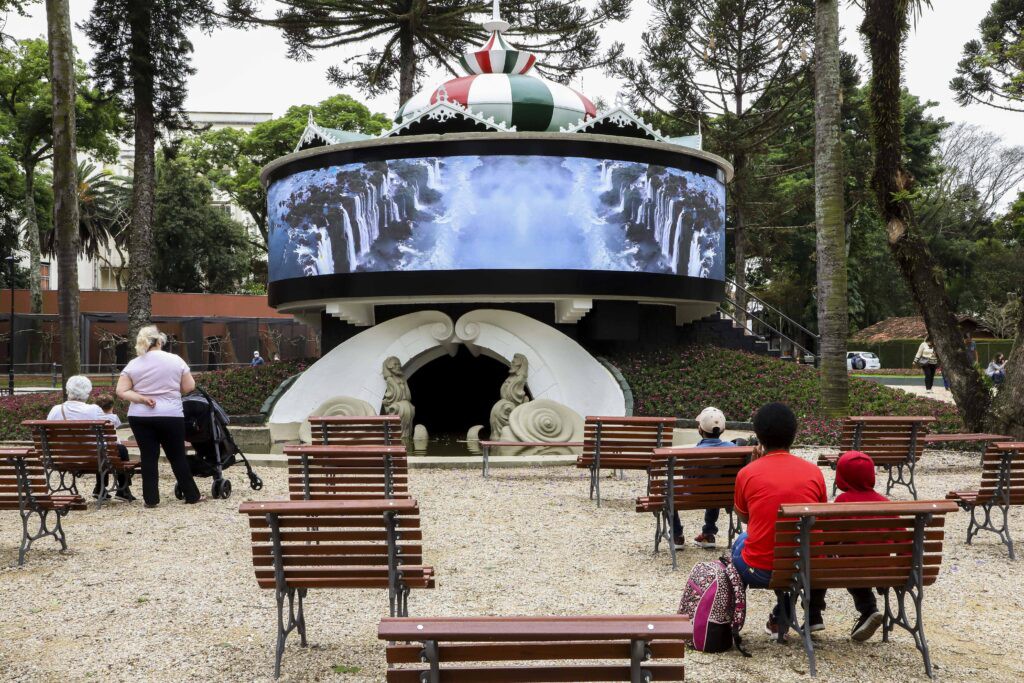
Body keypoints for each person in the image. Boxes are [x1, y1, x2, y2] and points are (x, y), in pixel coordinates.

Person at [731, 402, 828, 638]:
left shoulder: (747, 473)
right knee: (794, 547)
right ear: (793, 435)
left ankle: (731, 619)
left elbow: (745, 518)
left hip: (761, 570)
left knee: (739, 545)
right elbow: (820, 519)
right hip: (806, 566)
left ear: (760, 437)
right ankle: (782, 615)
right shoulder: (813, 472)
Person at [116, 325, 204, 507]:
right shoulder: (175, 360)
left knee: (148, 456)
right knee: (177, 455)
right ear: (159, 341)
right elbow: (189, 387)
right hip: (171, 414)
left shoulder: (133, 364)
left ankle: (151, 499)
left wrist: (140, 398)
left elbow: (121, 391)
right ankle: (191, 495)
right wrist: (171, 390)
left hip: (140, 416)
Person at [47, 376, 135, 501]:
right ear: (87, 392)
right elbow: (112, 428)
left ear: (67, 391)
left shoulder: (55, 410)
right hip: (93, 458)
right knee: (117, 449)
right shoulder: (93, 409)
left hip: (63, 458)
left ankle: (101, 488)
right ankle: (122, 489)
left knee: (101, 449)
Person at [671, 407, 746, 549]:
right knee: (715, 488)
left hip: (693, 496)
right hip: (723, 496)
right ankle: (709, 533)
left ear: (700, 430)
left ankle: (677, 536)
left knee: (668, 491)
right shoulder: (734, 449)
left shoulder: (692, 453)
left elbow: (687, 479)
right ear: (722, 430)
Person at [832, 450, 886, 642]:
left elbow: (829, 538)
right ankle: (869, 611)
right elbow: (903, 540)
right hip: (887, 569)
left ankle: (869, 609)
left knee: (847, 562)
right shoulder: (884, 503)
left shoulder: (842, 502)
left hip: (853, 569)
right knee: (859, 560)